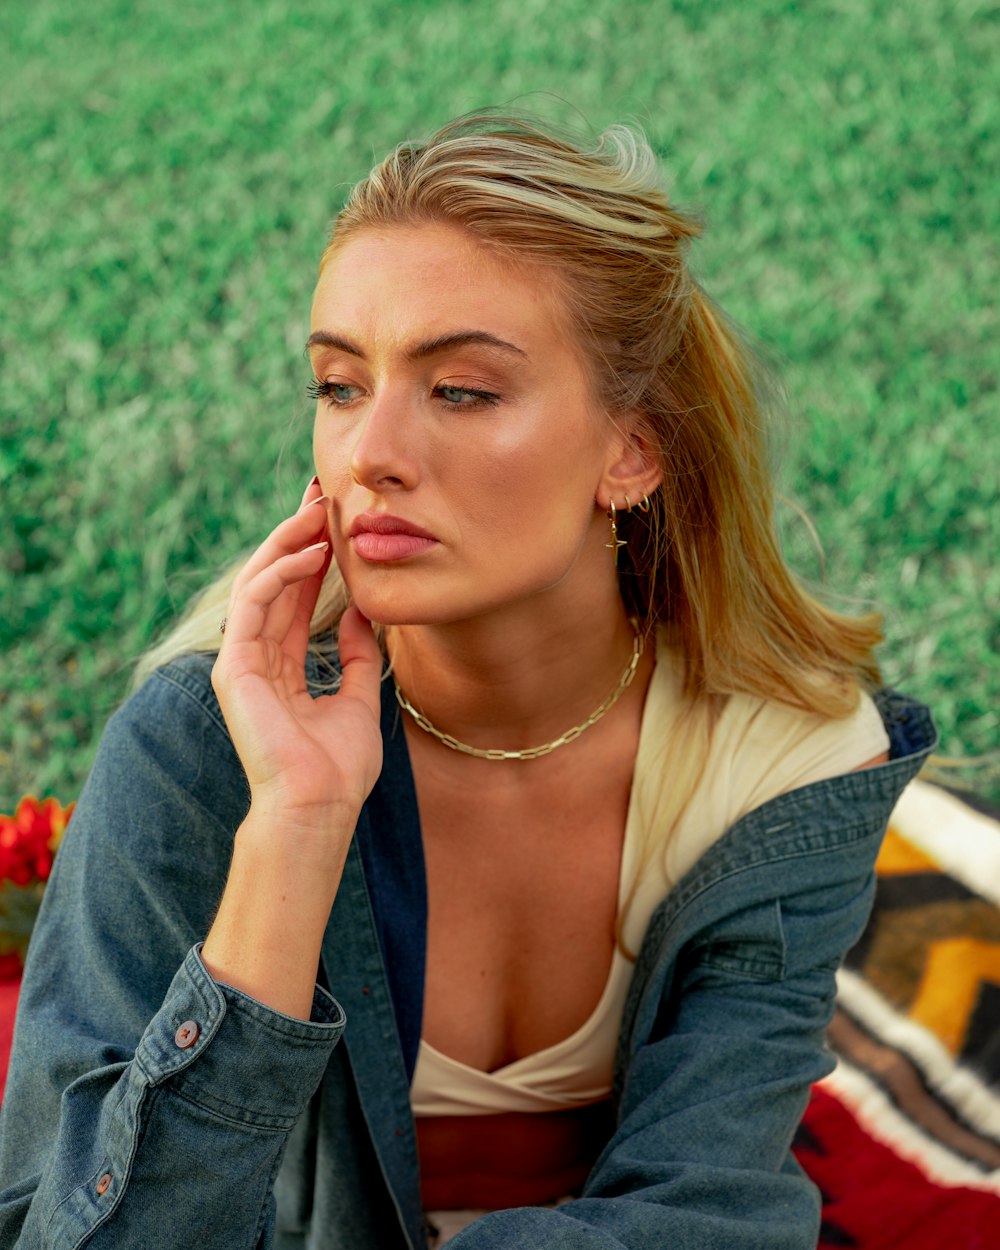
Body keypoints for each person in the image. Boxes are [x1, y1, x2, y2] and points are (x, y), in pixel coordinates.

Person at [0, 112, 935, 1249]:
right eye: (340, 385)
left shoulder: (777, 765)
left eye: (461, 391)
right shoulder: (202, 745)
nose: (369, 452)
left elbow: (713, 1208)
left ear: (629, 450)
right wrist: (296, 822)